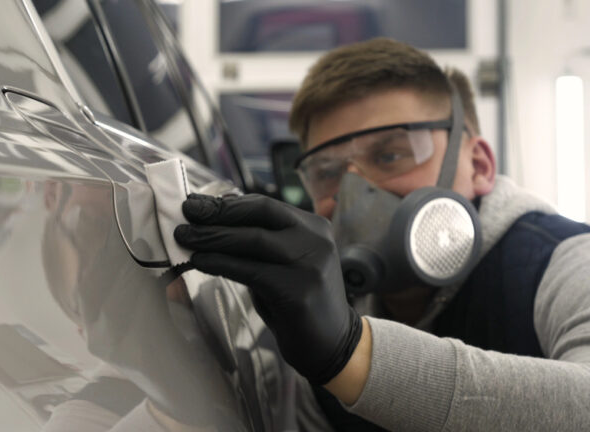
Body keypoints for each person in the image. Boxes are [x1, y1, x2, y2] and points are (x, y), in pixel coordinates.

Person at [174, 38, 590, 431]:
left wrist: (354, 354)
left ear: (478, 165)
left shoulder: (563, 262)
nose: (354, 194)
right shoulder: (322, 321)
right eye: (327, 172)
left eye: (391, 154)